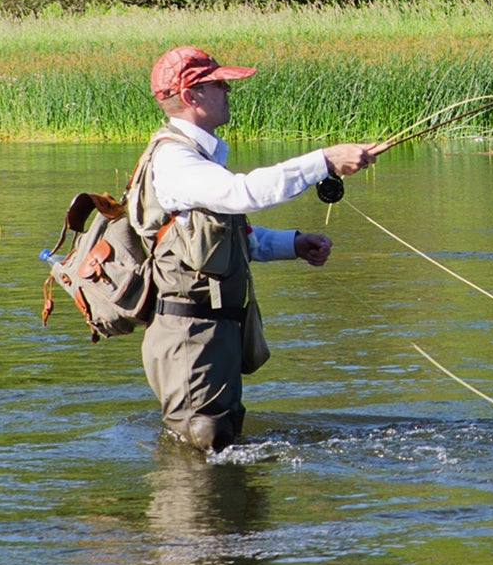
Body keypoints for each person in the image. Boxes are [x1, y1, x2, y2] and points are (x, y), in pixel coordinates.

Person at [132, 44, 379, 452]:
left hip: (213, 334)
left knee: (218, 445)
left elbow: (232, 235)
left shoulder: (197, 158)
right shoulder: (175, 160)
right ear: (192, 96)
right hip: (191, 338)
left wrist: (294, 245)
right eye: (218, 84)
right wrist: (325, 161)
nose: (229, 91)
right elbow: (244, 193)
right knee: (203, 453)